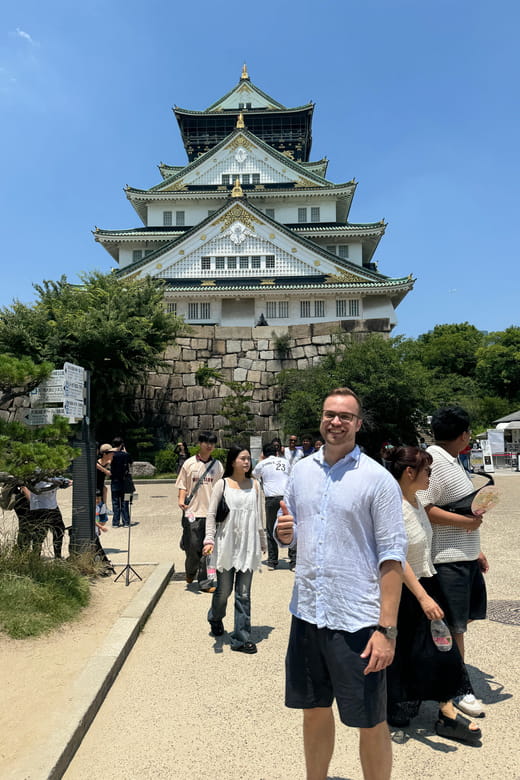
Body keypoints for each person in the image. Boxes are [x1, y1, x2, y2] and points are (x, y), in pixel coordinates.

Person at [275, 387, 407, 780]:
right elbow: (292, 532)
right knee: (313, 709)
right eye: (330, 414)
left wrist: (386, 630)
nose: (336, 422)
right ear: (321, 418)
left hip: (357, 619)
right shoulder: (301, 471)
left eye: (345, 416)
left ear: (358, 424)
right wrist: (284, 534)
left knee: (371, 720)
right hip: (308, 612)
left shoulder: (377, 479)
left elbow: (392, 558)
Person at [385, 445, 482, 744]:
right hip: (407, 592)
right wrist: (423, 598)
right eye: (426, 470)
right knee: (406, 652)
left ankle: (446, 710)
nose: (430, 475)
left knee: (441, 648)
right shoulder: (393, 506)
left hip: (428, 582)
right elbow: (396, 557)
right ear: (409, 472)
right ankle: (400, 711)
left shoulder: (415, 500)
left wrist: (476, 551)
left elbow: (427, 542)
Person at [417, 405, 488, 719]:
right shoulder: (435, 461)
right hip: (447, 558)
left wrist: (476, 547)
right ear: (463, 434)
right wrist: (466, 524)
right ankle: (457, 688)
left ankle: (447, 678)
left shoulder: (451, 459)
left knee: (461, 622)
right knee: (452, 628)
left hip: (464, 554)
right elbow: (423, 506)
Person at [203, 445, 266, 653]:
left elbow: (260, 515)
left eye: (248, 459)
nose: (247, 462)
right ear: (232, 461)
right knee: (224, 591)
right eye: (242, 458)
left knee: (243, 593)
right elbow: (211, 514)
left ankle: (240, 638)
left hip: (248, 544)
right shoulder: (222, 484)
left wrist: (262, 540)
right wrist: (209, 539)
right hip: (226, 543)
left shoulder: (255, 485)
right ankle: (215, 616)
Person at [177, 431, 224, 592]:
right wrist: (181, 500)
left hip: (211, 513)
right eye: (206, 442)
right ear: (200, 443)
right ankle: (190, 571)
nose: (209, 446)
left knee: (208, 549)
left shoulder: (218, 466)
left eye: (212, 443)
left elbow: (221, 488)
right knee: (192, 547)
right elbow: (182, 484)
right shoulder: (189, 463)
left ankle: (204, 582)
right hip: (192, 512)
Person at [252, 443, 290, 569]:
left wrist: (260, 460)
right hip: (286, 497)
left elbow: (254, 475)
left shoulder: (262, 464)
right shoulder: (285, 462)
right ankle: (294, 559)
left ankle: (273, 561)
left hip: (271, 499)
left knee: (270, 529)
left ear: (264, 454)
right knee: (289, 526)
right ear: (277, 452)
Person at [21, 477, 72, 558]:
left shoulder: (51, 475)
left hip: (52, 507)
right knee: (39, 535)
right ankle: (35, 556)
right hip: (40, 508)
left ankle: (57, 556)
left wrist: (64, 482)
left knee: (59, 531)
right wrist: (60, 483)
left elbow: (59, 480)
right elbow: (47, 486)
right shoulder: (35, 476)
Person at [110, 437, 132, 528]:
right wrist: (125, 452)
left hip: (114, 480)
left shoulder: (111, 454)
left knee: (115, 502)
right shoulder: (125, 455)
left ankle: (115, 522)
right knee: (125, 502)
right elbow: (130, 463)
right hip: (124, 481)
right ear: (122, 444)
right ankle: (126, 521)